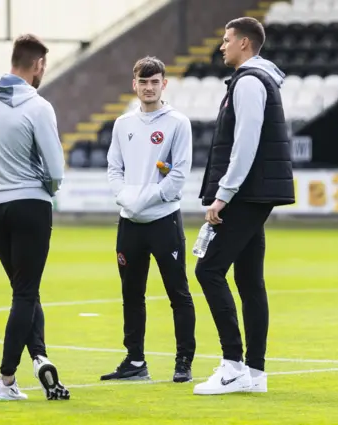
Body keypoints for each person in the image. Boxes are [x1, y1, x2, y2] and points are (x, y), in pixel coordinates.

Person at [0, 34, 70, 401]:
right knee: (25, 292)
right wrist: (49, 186)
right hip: (30, 203)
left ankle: (40, 356)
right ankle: (6, 380)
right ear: (38, 64)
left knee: (23, 289)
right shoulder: (38, 106)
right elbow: (55, 168)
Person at [193, 17, 294, 395]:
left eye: (227, 39)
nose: (221, 46)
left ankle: (233, 364)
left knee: (209, 271)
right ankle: (255, 373)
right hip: (255, 192)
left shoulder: (250, 82)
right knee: (250, 281)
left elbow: (246, 142)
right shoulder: (253, 80)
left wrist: (223, 193)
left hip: (246, 193)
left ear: (245, 44)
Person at [103, 56, 196, 384]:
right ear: (134, 84)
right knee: (131, 293)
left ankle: (183, 360)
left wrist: (147, 198)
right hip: (129, 221)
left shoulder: (177, 123)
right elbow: (114, 168)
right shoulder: (123, 124)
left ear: (164, 84)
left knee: (178, 292)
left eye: (154, 81)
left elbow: (179, 173)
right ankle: (135, 361)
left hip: (163, 219)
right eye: (143, 82)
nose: (148, 87)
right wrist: (125, 197)